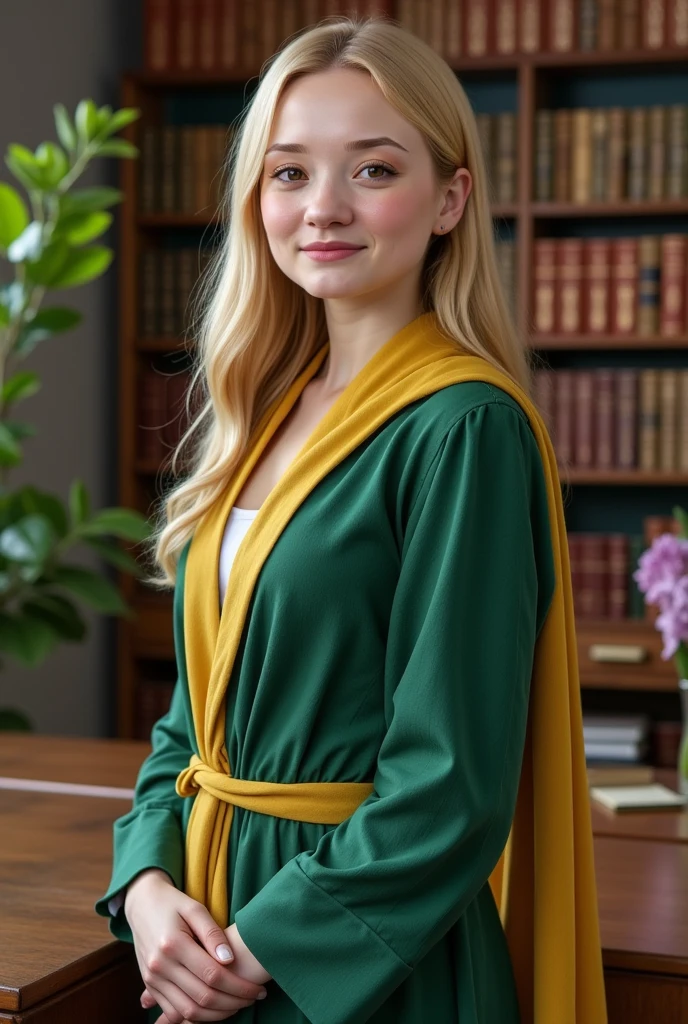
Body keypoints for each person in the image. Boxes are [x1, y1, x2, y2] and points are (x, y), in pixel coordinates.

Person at [96, 14, 608, 1024]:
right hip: (195, 935)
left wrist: (262, 951)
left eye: (372, 170)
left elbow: (450, 785)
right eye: (289, 173)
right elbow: (193, 718)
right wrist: (146, 888)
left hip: (357, 965)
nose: (322, 207)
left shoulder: (464, 428)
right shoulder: (264, 410)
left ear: (451, 197)